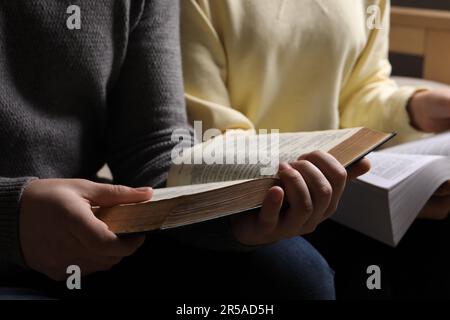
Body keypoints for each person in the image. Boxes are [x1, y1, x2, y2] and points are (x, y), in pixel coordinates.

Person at [0, 0, 370, 300]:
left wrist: (235, 219)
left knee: (295, 278)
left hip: (87, 240)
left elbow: (153, 147)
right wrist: (10, 216)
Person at [180, 0, 450, 298]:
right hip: (252, 200)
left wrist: (412, 109)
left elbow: (361, 89)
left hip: (341, 190)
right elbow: (206, 133)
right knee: (302, 281)